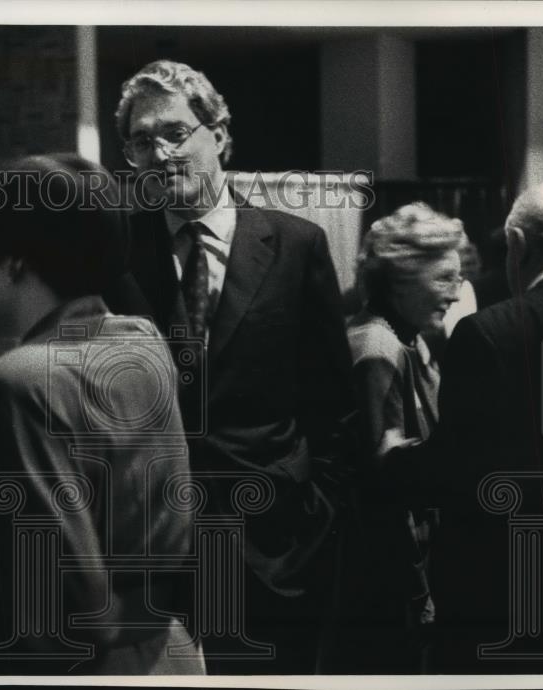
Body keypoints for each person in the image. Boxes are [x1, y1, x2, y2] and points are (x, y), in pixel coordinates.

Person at [104, 59, 357, 674]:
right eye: (142, 141)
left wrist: (314, 507)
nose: (160, 153)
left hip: (274, 543)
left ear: (218, 136)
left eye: (174, 133)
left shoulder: (296, 245)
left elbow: (333, 402)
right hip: (150, 551)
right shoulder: (116, 253)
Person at [0, 153, 203, 675]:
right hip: (167, 654)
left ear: (15, 262)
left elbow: (62, 606)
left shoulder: (22, 381)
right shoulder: (140, 342)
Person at [384, 178, 543, 673]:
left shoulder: (491, 332)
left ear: (517, 244)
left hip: (503, 599)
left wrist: (394, 457)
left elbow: (454, 473)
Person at [336, 202, 465, 673]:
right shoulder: (379, 348)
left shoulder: (409, 339)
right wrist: (421, 597)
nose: (456, 293)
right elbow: (382, 490)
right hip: (390, 584)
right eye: (444, 278)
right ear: (403, 277)